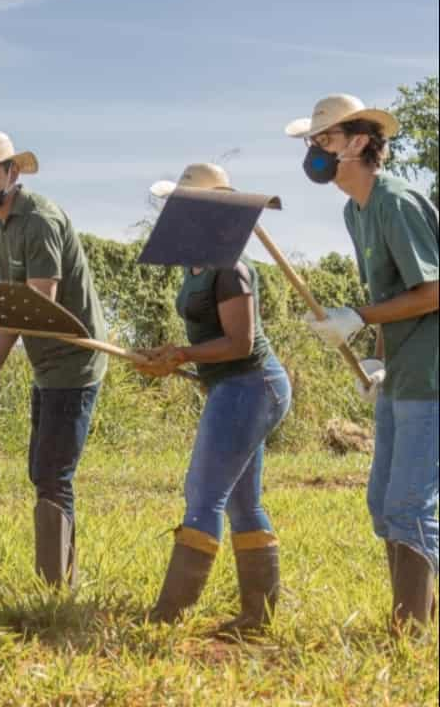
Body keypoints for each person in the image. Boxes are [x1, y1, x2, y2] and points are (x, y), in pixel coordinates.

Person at [286, 94, 439, 634]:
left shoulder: (396, 202)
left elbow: (434, 290)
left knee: (410, 505)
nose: (315, 152)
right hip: (400, 369)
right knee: (383, 505)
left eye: (324, 141)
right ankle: (418, 618)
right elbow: (388, 294)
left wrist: (356, 315)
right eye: (312, 143)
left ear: (357, 143)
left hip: (432, 374)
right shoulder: (356, 210)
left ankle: (410, 634)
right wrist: (375, 360)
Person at [0, 131, 108, 588]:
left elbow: (37, 304)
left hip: (76, 355)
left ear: (13, 173)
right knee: (40, 469)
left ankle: (56, 590)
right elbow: (13, 307)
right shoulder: (0, 227)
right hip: (43, 359)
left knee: (53, 474)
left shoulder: (40, 222)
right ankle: (56, 581)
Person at [135, 164, 292, 634]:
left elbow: (240, 343)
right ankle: (256, 618)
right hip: (234, 386)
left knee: (203, 495)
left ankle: (166, 619)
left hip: (252, 384)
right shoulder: (197, 264)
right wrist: (169, 357)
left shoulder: (231, 268)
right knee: (244, 503)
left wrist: (181, 352)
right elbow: (210, 341)